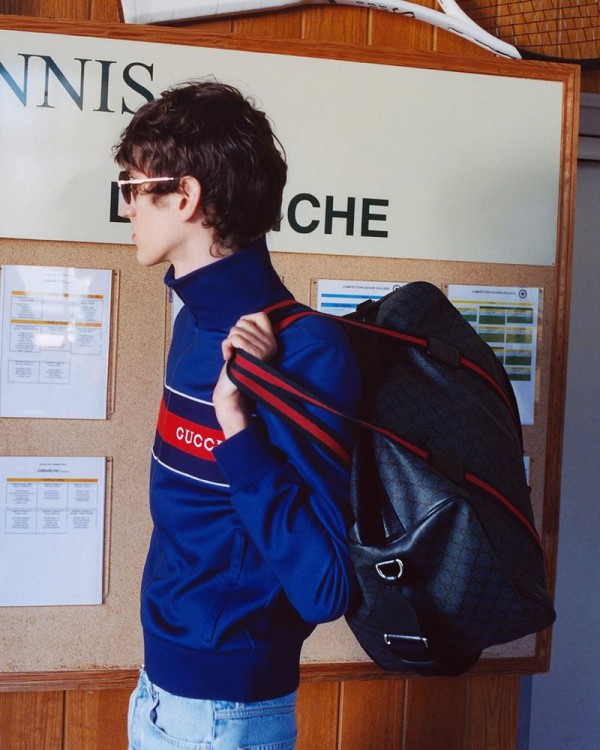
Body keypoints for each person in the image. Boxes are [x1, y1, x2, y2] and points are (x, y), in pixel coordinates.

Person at [113, 80, 361, 750]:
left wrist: (237, 424)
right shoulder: (192, 324)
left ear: (185, 197)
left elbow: (325, 588)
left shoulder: (308, 351)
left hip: (228, 715)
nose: (127, 206)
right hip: (157, 693)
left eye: (132, 187)